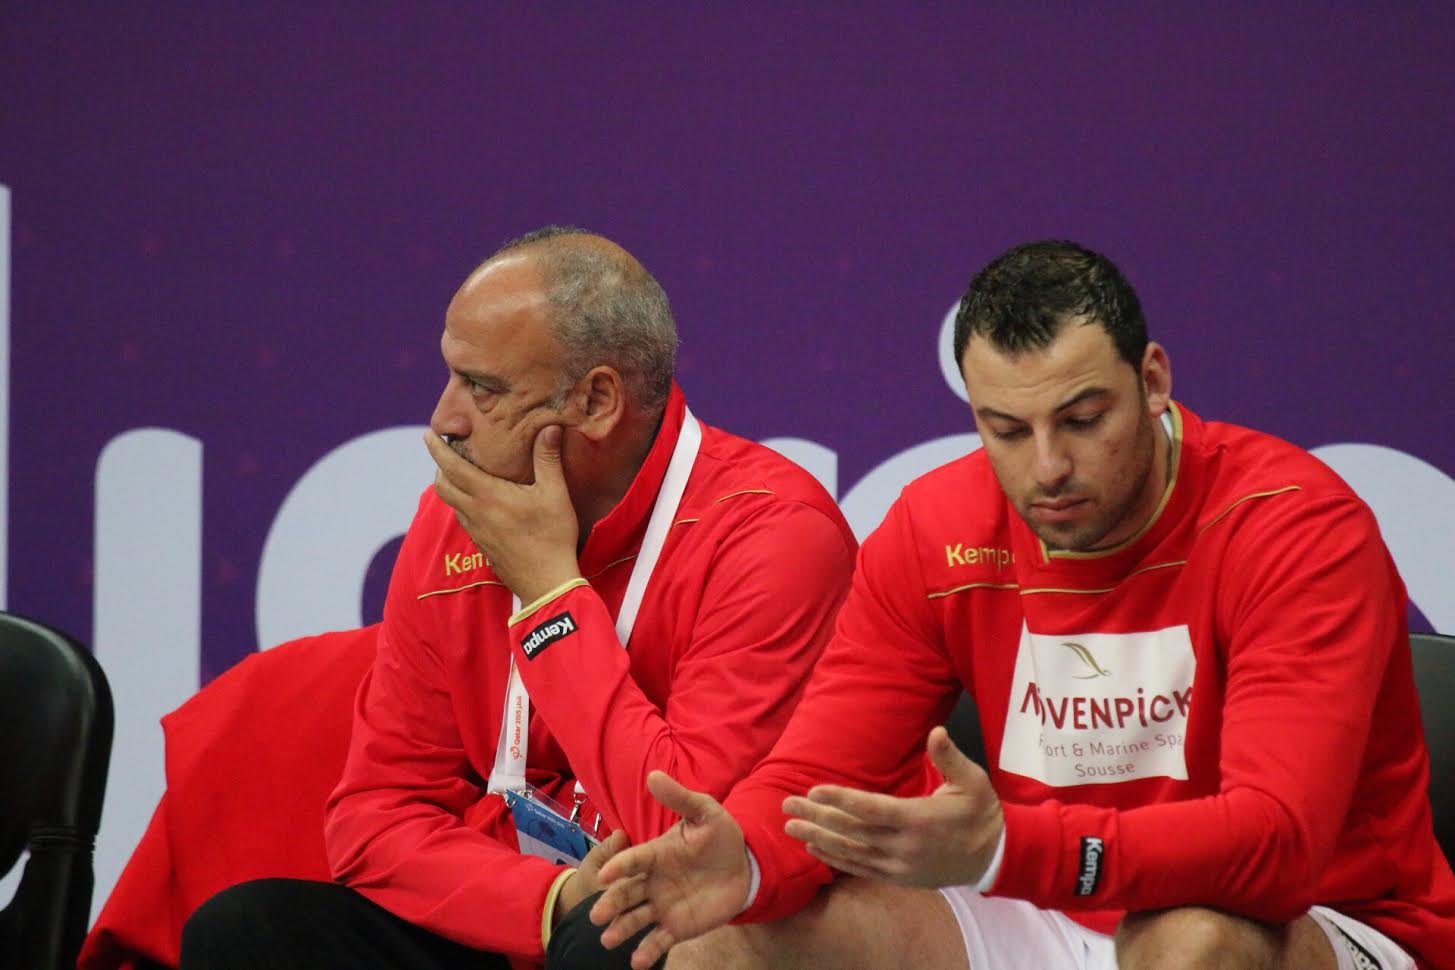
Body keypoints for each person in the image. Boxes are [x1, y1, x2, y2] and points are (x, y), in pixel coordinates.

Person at [590, 240, 1455, 970]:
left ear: (1152, 380)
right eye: (1005, 430)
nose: (1047, 468)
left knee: (1192, 944)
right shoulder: (936, 529)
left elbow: (1277, 846)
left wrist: (1010, 849)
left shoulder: (1291, 527)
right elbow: (821, 776)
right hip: (1047, 907)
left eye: (1082, 419)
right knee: (722, 946)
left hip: (1316, 921)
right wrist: (742, 859)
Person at [178, 227, 858, 969]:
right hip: (526, 909)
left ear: (597, 401)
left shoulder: (772, 533)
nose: (445, 419)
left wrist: (549, 596)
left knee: (614, 941)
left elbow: (686, 839)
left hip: (680, 925)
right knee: (246, 931)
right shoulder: (457, 516)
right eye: (451, 376)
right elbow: (375, 816)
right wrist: (550, 899)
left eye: (484, 388)